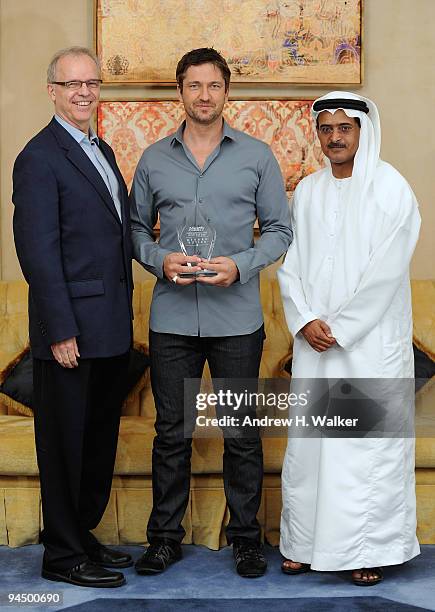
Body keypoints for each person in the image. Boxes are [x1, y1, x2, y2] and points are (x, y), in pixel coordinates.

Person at [130, 47, 292, 578]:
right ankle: (163, 539)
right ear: (180, 92)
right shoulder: (154, 159)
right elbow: (133, 231)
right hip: (172, 318)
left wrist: (241, 266)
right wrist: (159, 259)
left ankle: (247, 539)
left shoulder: (257, 156)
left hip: (237, 320)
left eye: (213, 86)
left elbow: (280, 231)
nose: (204, 96)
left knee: (241, 434)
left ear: (227, 92)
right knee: (170, 434)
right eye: (193, 86)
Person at [278, 91, 421, 585]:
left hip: (368, 345)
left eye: (345, 128)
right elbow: (290, 264)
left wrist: (342, 327)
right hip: (315, 343)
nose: (335, 137)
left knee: (364, 449)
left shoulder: (391, 189)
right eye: (326, 129)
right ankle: (302, 543)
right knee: (313, 447)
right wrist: (304, 319)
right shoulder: (308, 192)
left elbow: (387, 271)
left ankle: (367, 550)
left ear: (362, 131)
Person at [12, 47, 134, 588]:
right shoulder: (38, 157)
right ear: (52, 91)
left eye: (92, 82)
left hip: (108, 327)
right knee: (63, 445)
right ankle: (62, 556)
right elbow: (37, 252)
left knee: (96, 440)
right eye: (72, 84)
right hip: (70, 332)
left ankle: (81, 536)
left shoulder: (100, 148)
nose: (84, 92)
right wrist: (60, 328)